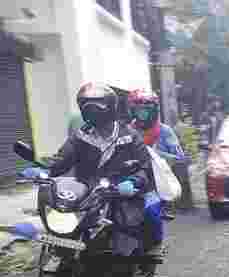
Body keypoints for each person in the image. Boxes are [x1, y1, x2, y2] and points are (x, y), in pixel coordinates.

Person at [25, 83, 162, 264]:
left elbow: (145, 167)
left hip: (119, 191)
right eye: (86, 105)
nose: (92, 111)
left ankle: (131, 263)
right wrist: (43, 168)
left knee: (128, 233)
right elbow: (62, 159)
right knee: (63, 221)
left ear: (110, 107)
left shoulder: (129, 135)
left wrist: (133, 182)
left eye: (97, 105)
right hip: (87, 193)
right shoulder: (81, 135)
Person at [127, 89, 185, 219]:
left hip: (157, 187)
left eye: (145, 110)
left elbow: (179, 158)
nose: (142, 114)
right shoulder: (127, 131)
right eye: (138, 110)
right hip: (132, 185)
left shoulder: (164, 131)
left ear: (153, 111)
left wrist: (154, 154)